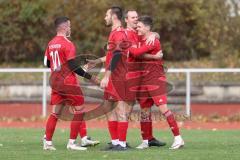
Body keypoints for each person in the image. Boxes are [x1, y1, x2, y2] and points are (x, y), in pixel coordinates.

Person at [43, 16, 99, 151]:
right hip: (68, 82)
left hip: (55, 82)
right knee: (79, 110)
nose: (70, 28)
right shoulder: (67, 43)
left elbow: (46, 62)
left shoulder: (51, 43)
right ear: (64, 27)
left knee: (55, 113)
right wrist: (92, 78)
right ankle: (72, 143)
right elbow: (73, 66)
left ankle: (48, 142)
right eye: (69, 26)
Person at [128, 15, 184, 149]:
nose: (137, 29)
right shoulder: (141, 37)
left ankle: (178, 138)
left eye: (140, 27)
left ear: (147, 28)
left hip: (155, 79)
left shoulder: (153, 41)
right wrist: (154, 35)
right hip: (143, 80)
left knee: (164, 109)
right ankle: (146, 140)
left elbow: (135, 53)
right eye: (137, 26)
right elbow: (135, 53)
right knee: (144, 111)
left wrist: (153, 36)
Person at [124, 10, 166, 149]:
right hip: (131, 75)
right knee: (126, 109)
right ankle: (119, 141)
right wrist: (154, 56)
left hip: (144, 76)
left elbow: (152, 34)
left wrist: (154, 34)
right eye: (133, 17)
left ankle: (148, 138)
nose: (136, 20)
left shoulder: (138, 33)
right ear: (126, 19)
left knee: (145, 109)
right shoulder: (126, 34)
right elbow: (135, 53)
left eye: (137, 17)